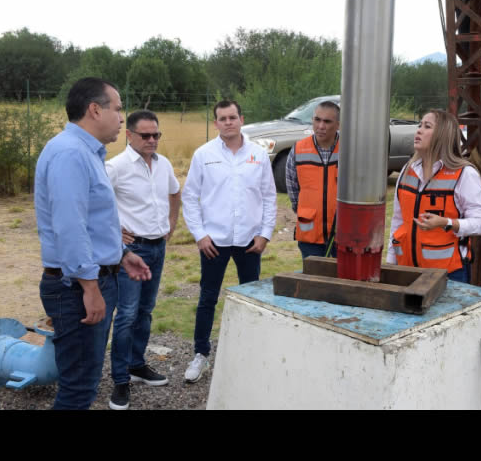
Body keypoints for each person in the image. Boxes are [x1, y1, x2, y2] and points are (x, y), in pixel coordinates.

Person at [35, 77, 151, 410]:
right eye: (117, 109)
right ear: (95, 110)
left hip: (89, 279)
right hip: (76, 286)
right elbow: (70, 227)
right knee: (79, 388)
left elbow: (91, 221)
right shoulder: (70, 154)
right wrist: (89, 286)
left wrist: (121, 254)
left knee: (83, 382)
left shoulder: (85, 152)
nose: (121, 118)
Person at [181, 100, 277, 382]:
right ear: (216, 123)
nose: (228, 122)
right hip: (214, 241)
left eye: (232, 117)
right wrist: (200, 235)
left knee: (251, 298)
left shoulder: (258, 155)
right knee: (207, 298)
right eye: (222, 118)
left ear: (241, 119)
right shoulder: (203, 155)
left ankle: (249, 352)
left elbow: (269, 197)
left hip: (250, 241)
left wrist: (265, 234)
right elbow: (190, 196)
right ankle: (201, 354)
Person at [105, 109, 182, 410]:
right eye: (145, 135)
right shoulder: (116, 167)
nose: (152, 140)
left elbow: (175, 193)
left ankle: (136, 364)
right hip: (131, 252)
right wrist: (115, 234)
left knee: (145, 311)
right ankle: (120, 379)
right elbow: (94, 203)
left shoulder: (163, 164)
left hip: (157, 248)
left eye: (156, 135)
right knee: (126, 314)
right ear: (129, 135)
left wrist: (171, 223)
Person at [386, 109, 481, 284]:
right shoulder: (407, 170)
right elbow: (397, 221)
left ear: (443, 135)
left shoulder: (464, 174)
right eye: (419, 125)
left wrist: (447, 223)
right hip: (407, 271)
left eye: (427, 126)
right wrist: (390, 263)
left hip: (448, 275)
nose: (419, 130)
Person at [286, 101, 340, 260]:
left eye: (327, 121)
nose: (321, 126)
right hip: (309, 235)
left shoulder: (349, 150)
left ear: (338, 125)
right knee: (313, 275)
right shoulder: (298, 149)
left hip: (342, 235)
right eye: (317, 120)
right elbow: (293, 190)